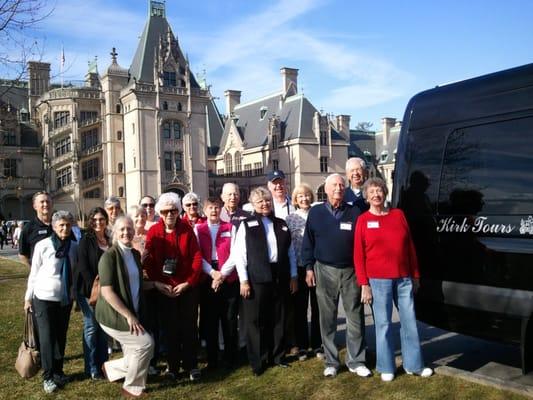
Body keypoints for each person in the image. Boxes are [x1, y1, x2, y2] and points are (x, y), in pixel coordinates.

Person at [354, 177, 433, 382]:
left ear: (385, 193)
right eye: (371, 192)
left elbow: (410, 248)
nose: (376, 195)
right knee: (383, 325)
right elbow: (358, 255)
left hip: (404, 278)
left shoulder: (398, 215)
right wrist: (364, 284)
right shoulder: (363, 220)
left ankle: (414, 364)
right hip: (378, 281)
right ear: (366, 196)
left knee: (409, 322)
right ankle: (386, 366)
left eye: (379, 190)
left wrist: (415, 275)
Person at [301, 173, 370, 378]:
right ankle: (331, 361)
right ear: (326, 189)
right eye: (334, 185)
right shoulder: (316, 212)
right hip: (324, 270)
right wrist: (308, 267)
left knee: (355, 316)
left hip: (351, 271)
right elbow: (308, 242)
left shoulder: (354, 211)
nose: (339, 188)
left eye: (341, 184)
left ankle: (356, 360)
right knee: (327, 318)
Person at [231, 186, 298, 376]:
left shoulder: (281, 223)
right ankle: (258, 361)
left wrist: (293, 275)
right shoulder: (246, 225)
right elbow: (240, 255)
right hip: (257, 277)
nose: (264, 204)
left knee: (278, 317)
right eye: (260, 201)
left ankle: (277, 356)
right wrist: (244, 281)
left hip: (280, 275)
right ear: (253, 204)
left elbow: (290, 253)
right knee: (257, 320)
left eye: (267, 200)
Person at [143, 192, 203, 381]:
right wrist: (158, 283)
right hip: (164, 289)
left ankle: (192, 364)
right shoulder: (153, 232)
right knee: (170, 329)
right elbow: (149, 261)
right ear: (160, 213)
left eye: (174, 210)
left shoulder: (186, 228)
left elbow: (196, 257)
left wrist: (189, 282)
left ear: (178, 211)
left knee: (189, 327)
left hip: (186, 287)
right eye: (166, 211)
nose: (170, 214)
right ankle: (173, 366)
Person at [96, 216, 154, 398]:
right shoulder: (109, 257)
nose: (126, 232)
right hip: (113, 314)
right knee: (146, 344)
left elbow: (135, 283)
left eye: (129, 228)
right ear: (115, 232)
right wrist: (129, 315)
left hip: (130, 310)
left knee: (136, 353)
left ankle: (111, 368)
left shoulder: (135, 254)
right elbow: (107, 292)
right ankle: (132, 387)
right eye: (122, 229)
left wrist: (156, 285)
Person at [24, 210, 78, 394]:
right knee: (47, 339)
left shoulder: (74, 246)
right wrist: (28, 297)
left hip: (64, 299)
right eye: (61, 225)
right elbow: (34, 273)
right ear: (54, 227)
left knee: (60, 337)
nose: (64, 228)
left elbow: (74, 271)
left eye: (67, 225)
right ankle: (47, 377)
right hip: (43, 298)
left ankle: (58, 371)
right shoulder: (43, 245)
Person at [194, 197, 240, 369]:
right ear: (204, 210)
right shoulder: (198, 229)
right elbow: (197, 255)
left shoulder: (230, 227)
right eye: (210, 208)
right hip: (208, 276)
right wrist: (213, 273)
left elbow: (236, 253)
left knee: (229, 318)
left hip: (227, 276)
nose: (214, 211)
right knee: (210, 320)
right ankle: (212, 359)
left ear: (221, 209)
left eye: (216, 208)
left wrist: (221, 274)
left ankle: (230, 357)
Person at [285, 183, 323, 361]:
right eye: (300, 196)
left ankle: (317, 344)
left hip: (317, 267)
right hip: (299, 268)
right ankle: (301, 345)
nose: (304, 198)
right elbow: (288, 246)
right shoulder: (290, 218)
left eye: (307, 195)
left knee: (317, 307)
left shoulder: (318, 215)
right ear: (295, 200)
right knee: (299, 308)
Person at [74, 207, 110, 380]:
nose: (98, 222)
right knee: (91, 328)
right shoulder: (86, 240)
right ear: (90, 221)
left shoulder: (109, 239)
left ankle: (103, 363)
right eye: (94, 219)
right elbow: (82, 267)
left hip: (107, 291)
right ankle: (91, 366)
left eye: (101, 219)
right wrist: (94, 287)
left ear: (106, 220)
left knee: (103, 328)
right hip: (89, 291)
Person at [19, 191, 54, 267]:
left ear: (52, 204)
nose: (45, 204)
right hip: (40, 276)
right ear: (35, 206)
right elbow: (22, 254)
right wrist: (34, 270)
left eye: (48, 201)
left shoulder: (61, 225)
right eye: (42, 202)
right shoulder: (28, 228)